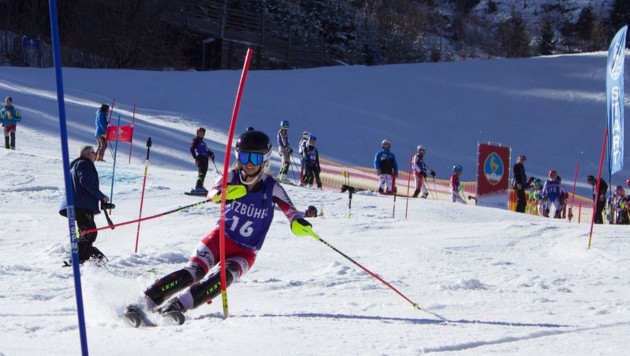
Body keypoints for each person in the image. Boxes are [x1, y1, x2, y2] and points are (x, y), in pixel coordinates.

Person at [125, 130, 312, 321]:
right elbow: (212, 193)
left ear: (264, 160)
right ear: (238, 157)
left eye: (255, 158)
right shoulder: (230, 177)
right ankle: (143, 302)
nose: (249, 163)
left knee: (224, 277)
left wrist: (298, 222)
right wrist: (223, 194)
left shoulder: (272, 186)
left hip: (246, 252)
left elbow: (291, 212)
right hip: (219, 239)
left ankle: (177, 307)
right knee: (193, 272)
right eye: (245, 156)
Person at [58, 145, 110, 264]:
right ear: (87, 154)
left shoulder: (77, 165)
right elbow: (85, 182)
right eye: (94, 152)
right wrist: (101, 196)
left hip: (77, 204)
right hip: (80, 204)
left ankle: (88, 256)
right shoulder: (84, 164)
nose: (95, 155)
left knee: (87, 231)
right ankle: (79, 259)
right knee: (88, 231)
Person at [190, 127, 215, 194]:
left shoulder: (203, 142)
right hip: (200, 158)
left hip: (205, 159)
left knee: (203, 172)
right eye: (199, 133)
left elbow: (206, 151)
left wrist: (211, 153)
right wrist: (196, 158)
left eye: (202, 133)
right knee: (201, 172)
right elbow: (192, 149)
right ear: (197, 133)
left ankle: (200, 186)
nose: (201, 134)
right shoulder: (196, 140)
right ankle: (198, 187)